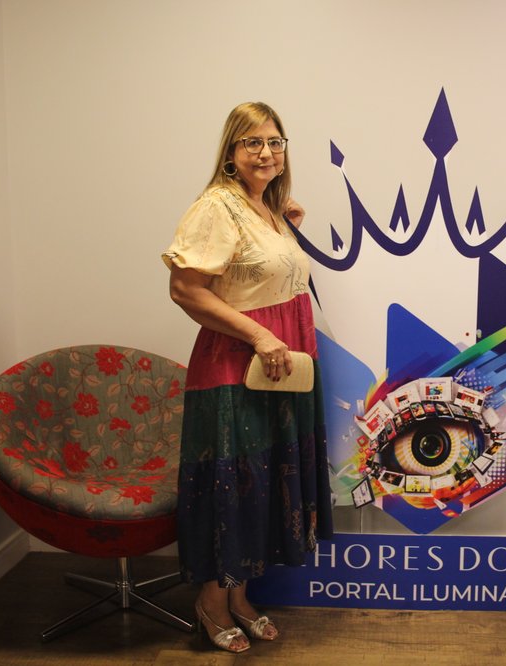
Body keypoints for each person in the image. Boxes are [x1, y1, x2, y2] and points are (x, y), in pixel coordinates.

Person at [163, 102, 333, 653]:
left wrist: (284, 226)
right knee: (233, 486)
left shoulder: (267, 208)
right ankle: (211, 605)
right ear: (231, 153)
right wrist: (260, 336)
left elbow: (257, 273)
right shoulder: (216, 206)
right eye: (252, 142)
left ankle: (239, 598)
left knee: (261, 484)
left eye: (275, 142)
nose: (266, 152)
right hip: (235, 366)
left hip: (281, 365)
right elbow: (186, 289)